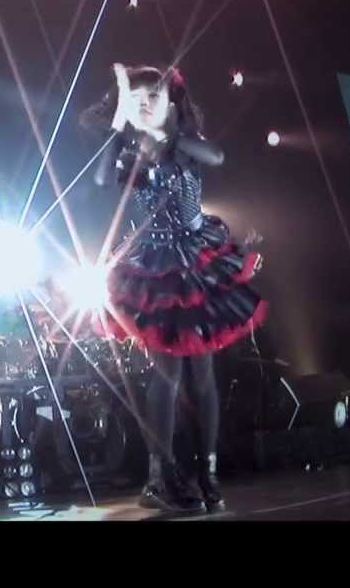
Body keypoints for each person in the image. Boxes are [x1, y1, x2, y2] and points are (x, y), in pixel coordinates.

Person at [85, 64, 266, 513]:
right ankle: (159, 477)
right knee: (165, 373)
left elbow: (215, 156)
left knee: (203, 375)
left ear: (171, 101)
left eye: (153, 96)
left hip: (199, 258)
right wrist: (121, 120)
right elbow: (103, 178)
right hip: (156, 267)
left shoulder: (185, 143)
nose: (145, 104)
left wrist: (164, 134)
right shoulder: (129, 150)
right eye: (136, 98)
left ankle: (207, 473)